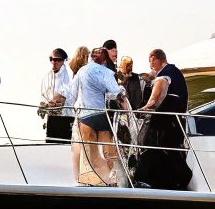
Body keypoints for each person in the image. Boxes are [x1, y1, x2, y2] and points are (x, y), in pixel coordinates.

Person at [134, 48, 191, 190]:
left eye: (151, 60)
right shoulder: (175, 72)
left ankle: (145, 180)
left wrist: (147, 107)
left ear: (155, 58)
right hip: (175, 121)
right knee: (170, 151)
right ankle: (174, 180)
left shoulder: (165, 74)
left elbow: (159, 92)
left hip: (165, 121)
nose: (150, 64)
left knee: (149, 145)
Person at [70, 46, 126, 185]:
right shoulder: (106, 72)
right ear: (104, 60)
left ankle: (105, 181)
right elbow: (114, 91)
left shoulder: (82, 71)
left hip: (85, 118)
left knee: (93, 155)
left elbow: (72, 93)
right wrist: (121, 89)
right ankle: (116, 180)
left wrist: (71, 111)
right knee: (110, 153)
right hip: (101, 116)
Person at [39, 47, 73, 144]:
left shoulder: (69, 75)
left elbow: (68, 92)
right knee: (50, 146)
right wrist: (43, 105)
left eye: (57, 59)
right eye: (51, 59)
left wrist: (57, 101)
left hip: (66, 117)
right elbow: (43, 95)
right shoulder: (47, 77)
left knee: (65, 146)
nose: (54, 62)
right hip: (51, 118)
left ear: (64, 61)